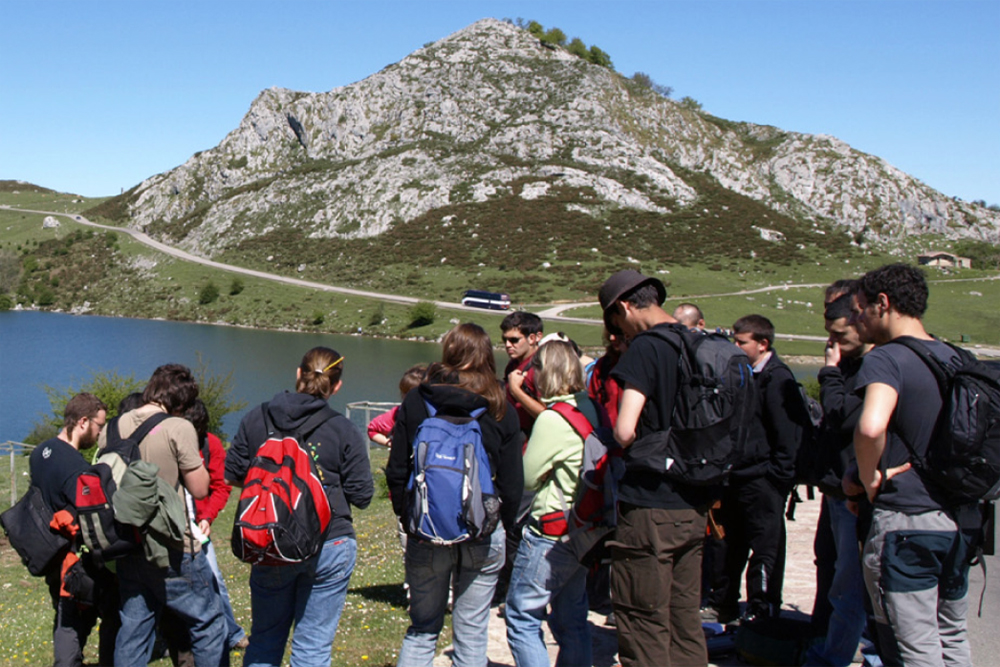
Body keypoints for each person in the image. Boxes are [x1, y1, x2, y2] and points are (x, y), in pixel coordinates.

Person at [851, 263, 977, 667]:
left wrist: (870, 476)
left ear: (882, 304)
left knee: (913, 645)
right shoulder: (959, 357)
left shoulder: (887, 359)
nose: (857, 319)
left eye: (860, 309)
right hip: (959, 518)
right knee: (951, 637)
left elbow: (871, 427)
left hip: (906, 521)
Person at [224, 346, 373, 667]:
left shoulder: (257, 417)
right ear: (337, 386)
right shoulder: (342, 428)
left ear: (297, 374)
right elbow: (362, 496)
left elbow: (234, 474)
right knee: (313, 646)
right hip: (331, 541)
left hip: (270, 539)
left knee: (264, 638)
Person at [386, 323, 524, 666]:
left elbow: (397, 468)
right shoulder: (499, 402)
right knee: (472, 631)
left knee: (422, 629)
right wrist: (505, 529)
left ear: (448, 351)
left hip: (426, 531)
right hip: (482, 529)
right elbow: (512, 481)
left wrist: (409, 517)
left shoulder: (419, 398)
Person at [599, 269, 714, 666]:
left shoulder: (648, 347)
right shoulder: (697, 340)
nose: (620, 331)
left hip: (650, 504)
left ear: (625, 307)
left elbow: (626, 430)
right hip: (694, 502)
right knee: (684, 619)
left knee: (641, 617)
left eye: (616, 321)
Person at [100, 364, 226, 667]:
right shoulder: (178, 427)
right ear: (182, 401)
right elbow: (199, 489)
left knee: (134, 629)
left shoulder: (113, 426)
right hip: (172, 544)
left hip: (129, 543)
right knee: (208, 623)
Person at [704, 314, 809, 623]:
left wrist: (777, 478)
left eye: (742, 342)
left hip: (763, 480)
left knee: (765, 547)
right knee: (728, 545)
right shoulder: (742, 374)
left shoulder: (778, 378)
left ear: (762, 344)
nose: (736, 346)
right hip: (737, 476)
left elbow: (788, 433)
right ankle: (723, 602)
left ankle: (762, 608)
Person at [505, 341, 595, 667]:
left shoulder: (553, 419)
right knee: (572, 616)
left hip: (550, 529)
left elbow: (527, 480)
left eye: (536, 369)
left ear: (547, 372)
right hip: (584, 526)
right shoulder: (589, 407)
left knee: (522, 616)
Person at [803, 285, 872, 667]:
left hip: (855, 489)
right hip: (836, 484)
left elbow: (844, 416)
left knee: (848, 584)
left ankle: (835, 656)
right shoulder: (850, 363)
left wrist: (829, 373)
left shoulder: (872, 367)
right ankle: (827, 640)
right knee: (830, 567)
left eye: (840, 337)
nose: (833, 344)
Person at [29, 392, 119, 667]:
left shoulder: (39, 453)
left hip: (48, 551)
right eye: (99, 426)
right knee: (106, 615)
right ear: (83, 421)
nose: (100, 433)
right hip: (76, 559)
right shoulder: (77, 468)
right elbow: (89, 518)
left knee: (65, 617)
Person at [160, 399, 248, 666]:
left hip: (198, 527)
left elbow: (221, 486)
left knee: (214, 579)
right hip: (168, 525)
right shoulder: (165, 441)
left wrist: (207, 517)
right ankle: (170, 637)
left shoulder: (211, 445)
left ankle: (231, 633)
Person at [501, 311, 545, 436]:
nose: (508, 345)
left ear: (533, 338)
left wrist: (516, 391)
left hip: (531, 438)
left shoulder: (542, 368)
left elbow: (547, 414)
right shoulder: (513, 364)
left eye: (514, 340)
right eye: (505, 339)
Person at [366, 364, 426, 447]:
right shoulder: (397, 414)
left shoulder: (439, 413)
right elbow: (372, 429)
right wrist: (392, 444)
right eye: (404, 393)